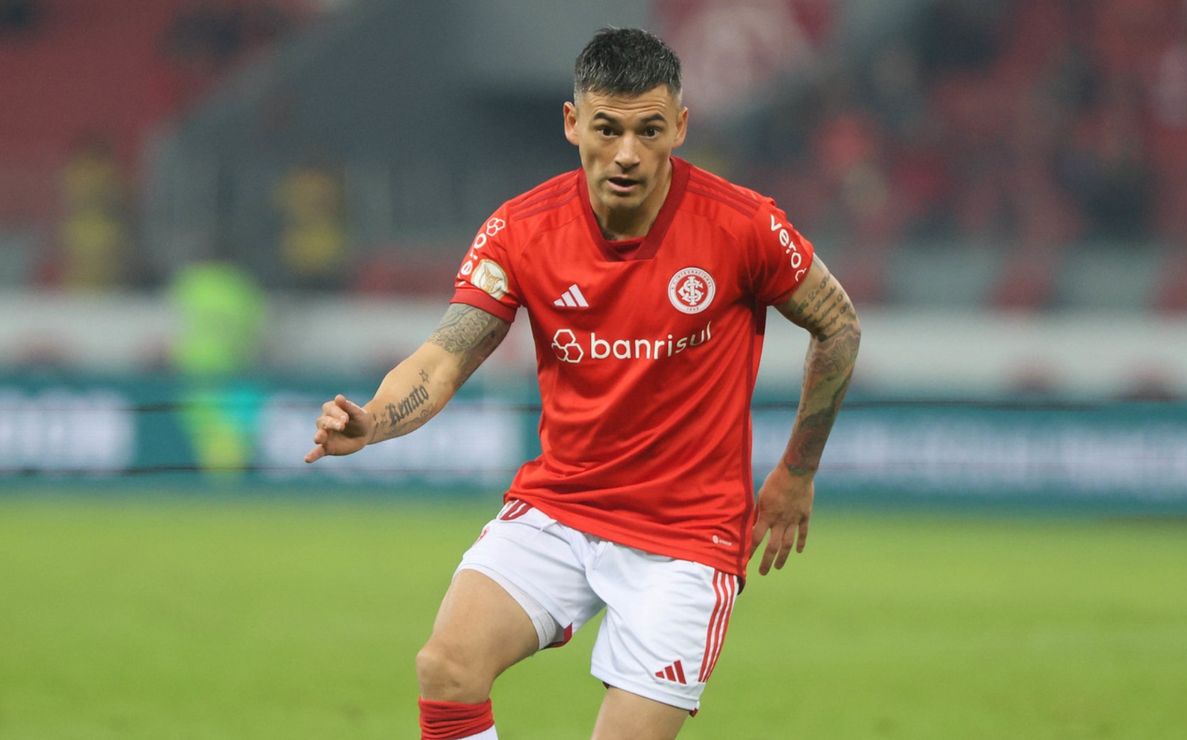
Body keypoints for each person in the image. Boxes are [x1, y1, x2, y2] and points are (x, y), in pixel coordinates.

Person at [305, 28, 860, 740]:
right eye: (607, 129)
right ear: (573, 123)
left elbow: (839, 326)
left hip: (686, 542)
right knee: (447, 668)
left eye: (648, 130)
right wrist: (374, 421)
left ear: (679, 128)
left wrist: (797, 471)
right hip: (561, 510)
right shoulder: (521, 230)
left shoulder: (743, 225)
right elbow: (444, 356)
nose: (627, 153)